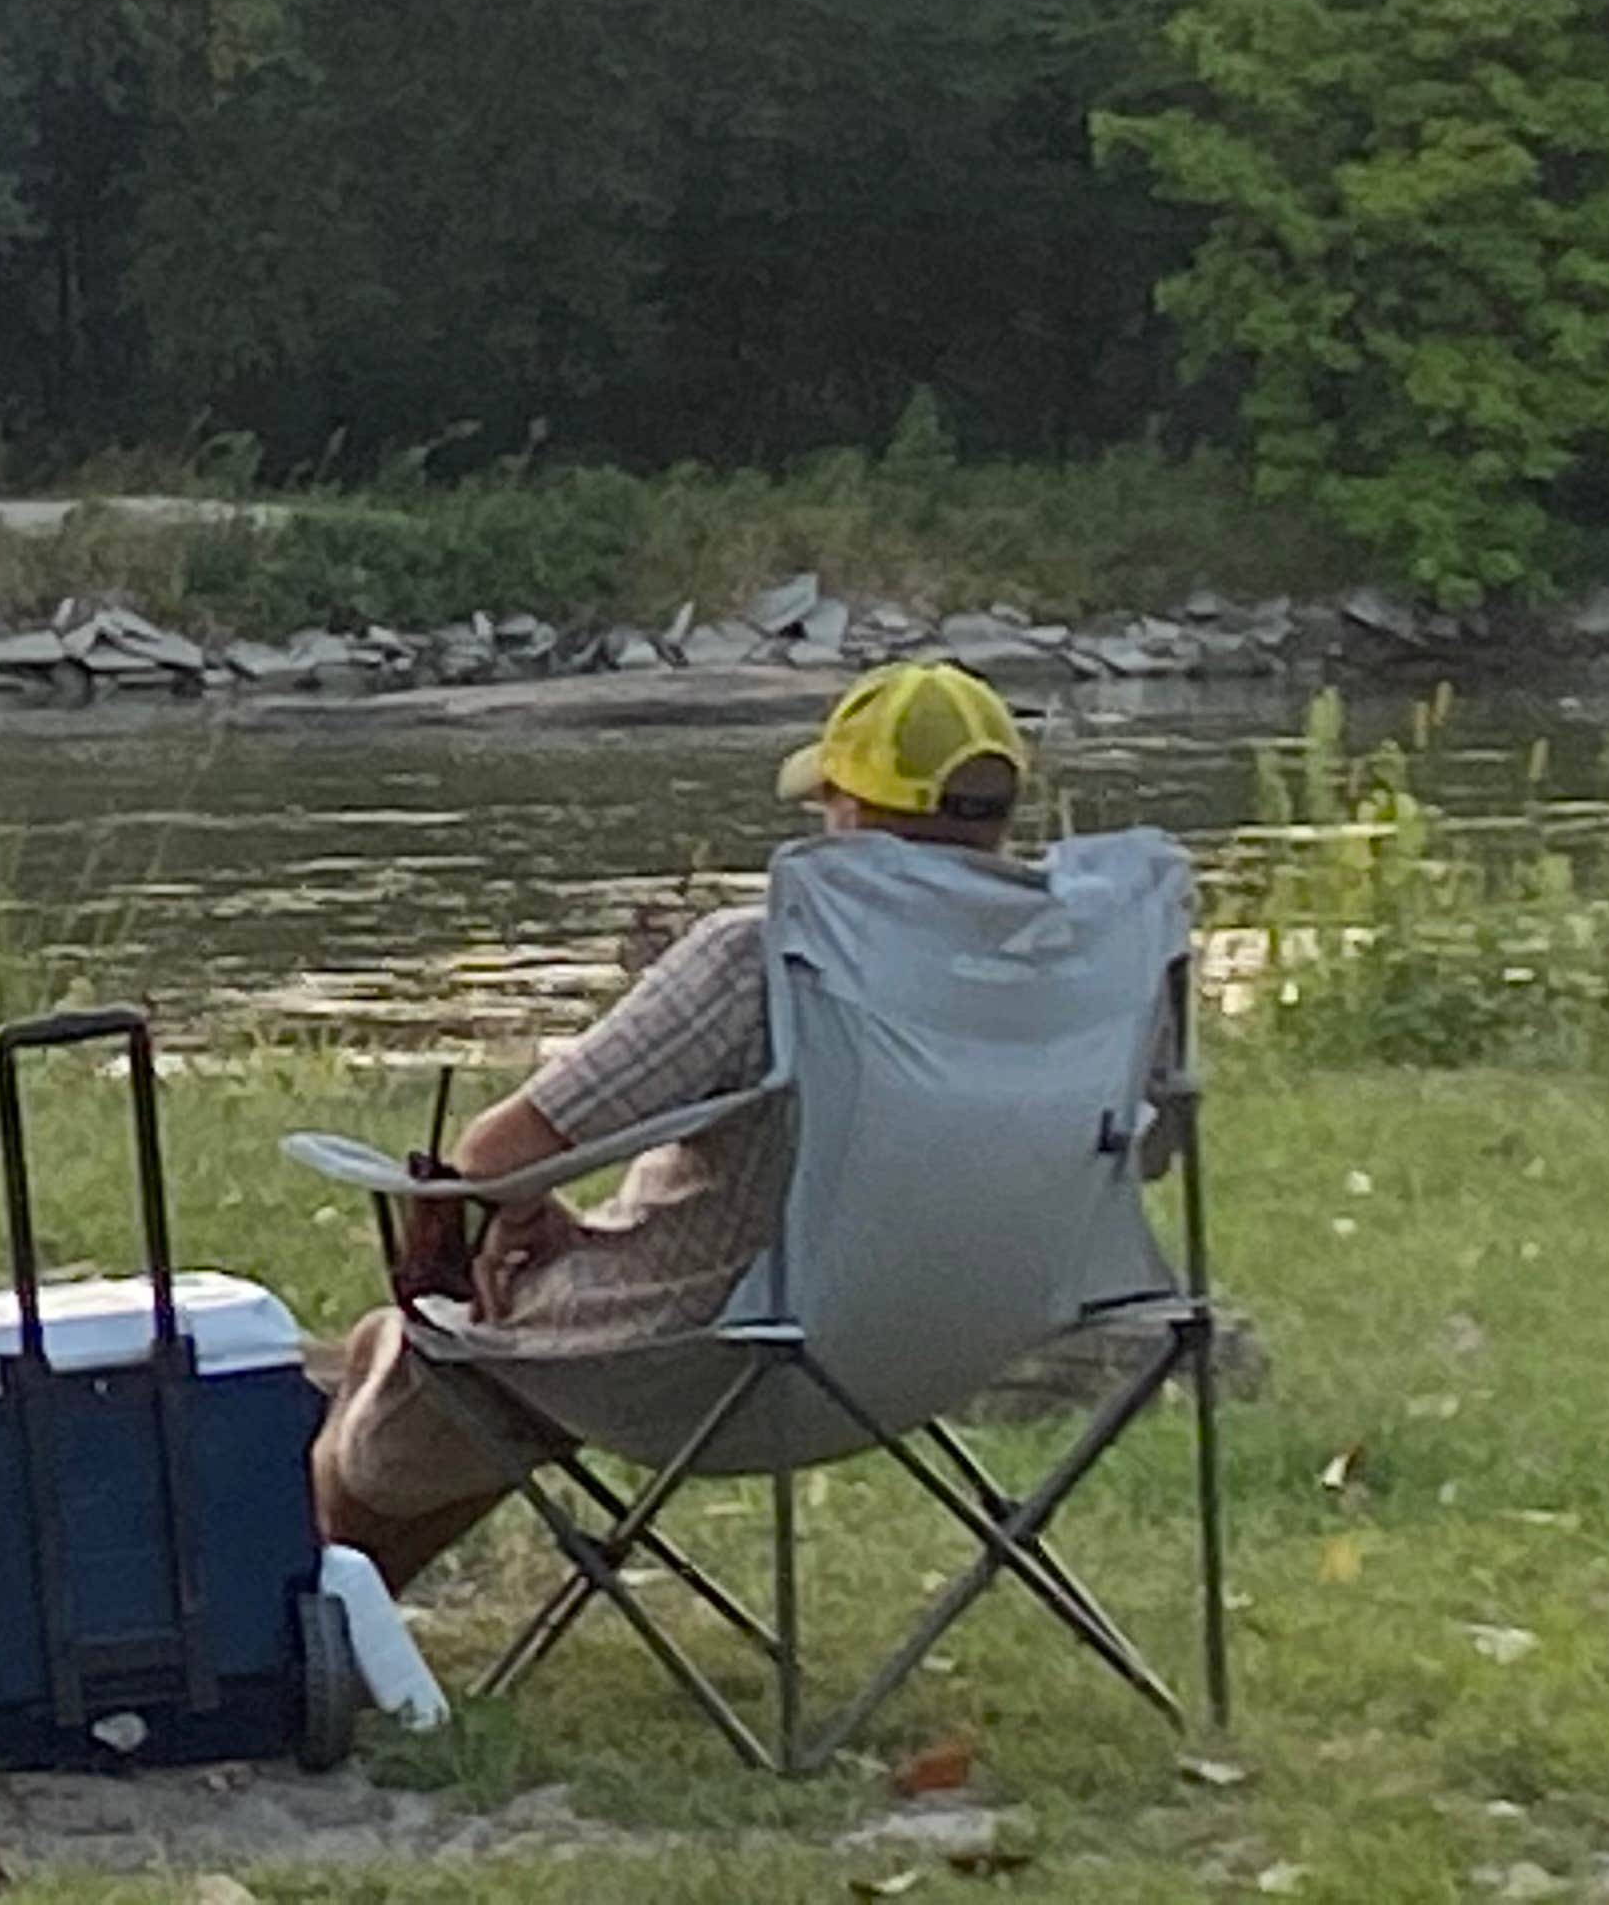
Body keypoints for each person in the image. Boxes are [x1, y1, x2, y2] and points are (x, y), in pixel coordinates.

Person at [308, 659, 1071, 1593]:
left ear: (850, 809)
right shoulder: (1077, 961)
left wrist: (521, 1206)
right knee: (432, 1352)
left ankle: (318, 1622)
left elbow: (493, 1156)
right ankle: (347, 1574)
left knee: (439, 1350)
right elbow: (1139, 1154)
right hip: (950, 1338)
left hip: (711, 1356)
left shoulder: (765, 958)